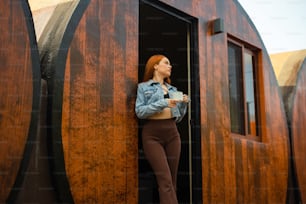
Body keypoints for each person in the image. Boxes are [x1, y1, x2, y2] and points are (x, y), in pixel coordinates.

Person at [135, 54, 190, 204]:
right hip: (152, 135)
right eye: (166, 63)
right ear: (155, 66)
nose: (170, 66)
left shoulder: (173, 89)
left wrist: (184, 104)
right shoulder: (143, 87)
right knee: (164, 179)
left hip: (172, 133)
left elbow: (178, 117)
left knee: (172, 181)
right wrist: (163, 103)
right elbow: (140, 112)